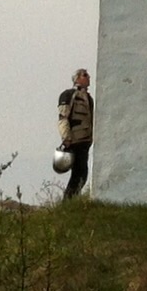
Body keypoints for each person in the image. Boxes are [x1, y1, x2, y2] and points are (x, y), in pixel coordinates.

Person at [57, 68, 95, 197]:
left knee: (81, 173)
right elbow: (63, 118)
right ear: (77, 78)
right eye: (85, 75)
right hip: (75, 140)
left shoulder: (88, 98)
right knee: (79, 173)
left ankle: (71, 200)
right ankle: (68, 201)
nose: (88, 77)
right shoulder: (69, 95)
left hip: (85, 141)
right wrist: (66, 137)